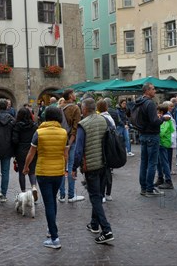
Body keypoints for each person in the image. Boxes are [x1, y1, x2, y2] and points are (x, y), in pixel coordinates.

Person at [23, 106, 68, 249]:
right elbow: (65, 154)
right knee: (52, 201)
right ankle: (51, 228)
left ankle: (55, 238)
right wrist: (65, 168)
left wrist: (26, 167)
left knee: (48, 203)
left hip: (43, 172)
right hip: (58, 172)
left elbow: (31, 153)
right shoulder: (63, 133)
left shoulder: (39, 133)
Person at [73, 98, 114, 244]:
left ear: (84, 109)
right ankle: (94, 224)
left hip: (91, 166)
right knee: (98, 194)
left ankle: (107, 230)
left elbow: (78, 151)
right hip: (104, 164)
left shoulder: (82, 125)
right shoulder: (104, 120)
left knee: (95, 198)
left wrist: (73, 168)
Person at [131, 83, 168, 197]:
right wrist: (163, 118)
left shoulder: (139, 102)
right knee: (152, 163)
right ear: (147, 91)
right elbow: (154, 121)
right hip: (152, 135)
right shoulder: (150, 103)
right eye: (153, 89)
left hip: (143, 134)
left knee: (144, 162)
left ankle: (144, 187)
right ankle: (149, 189)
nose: (155, 91)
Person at [59, 89, 84, 203]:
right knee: (70, 167)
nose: (75, 95)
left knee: (62, 168)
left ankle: (62, 195)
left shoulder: (59, 108)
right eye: (73, 93)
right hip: (70, 141)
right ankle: (71, 195)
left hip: (60, 140)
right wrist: (70, 142)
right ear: (70, 96)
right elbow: (76, 128)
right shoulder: (75, 108)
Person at [12, 107, 39, 198]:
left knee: (22, 172)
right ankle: (34, 186)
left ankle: (23, 192)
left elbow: (14, 140)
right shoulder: (34, 125)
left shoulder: (16, 125)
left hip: (20, 150)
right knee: (32, 171)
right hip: (32, 149)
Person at [97, 99, 115, 202]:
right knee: (108, 171)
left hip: (101, 147)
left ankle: (102, 194)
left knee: (102, 171)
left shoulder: (99, 118)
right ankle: (108, 193)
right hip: (109, 148)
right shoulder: (110, 118)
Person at [157, 103, 175, 189]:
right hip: (161, 142)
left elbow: (163, 131)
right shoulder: (164, 118)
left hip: (163, 142)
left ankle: (168, 180)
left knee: (164, 161)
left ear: (160, 111)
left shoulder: (167, 119)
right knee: (159, 162)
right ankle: (160, 178)